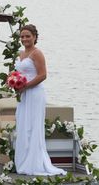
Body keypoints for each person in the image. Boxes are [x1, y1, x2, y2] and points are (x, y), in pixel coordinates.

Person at [14, 24, 66, 176]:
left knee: (33, 126)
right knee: (23, 125)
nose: (24, 39)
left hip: (35, 93)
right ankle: (23, 162)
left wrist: (26, 86)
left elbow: (42, 75)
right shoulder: (21, 54)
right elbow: (20, 72)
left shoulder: (37, 54)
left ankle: (35, 163)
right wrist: (13, 81)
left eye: (28, 36)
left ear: (35, 37)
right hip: (23, 95)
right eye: (22, 36)